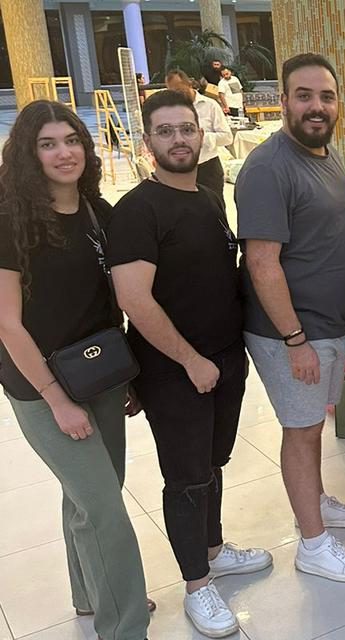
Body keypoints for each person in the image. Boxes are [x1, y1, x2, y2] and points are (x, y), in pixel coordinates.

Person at [108, 90, 271, 638]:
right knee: (185, 479)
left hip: (224, 359)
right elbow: (134, 299)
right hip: (174, 370)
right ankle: (197, 585)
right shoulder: (138, 211)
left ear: (200, 135)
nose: (178, 139)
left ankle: (214, 550)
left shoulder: (205, 197)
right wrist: (190, 360)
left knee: (212, 463)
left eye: (186, 129)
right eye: (165, 131)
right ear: (147, 141)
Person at [0, 101, 151, 640]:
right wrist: (57, 400)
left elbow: (111, 301)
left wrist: (129, 375)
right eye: (47, 144)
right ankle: (125, 626)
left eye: (71, 140)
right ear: (28, 154)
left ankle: (90, 592)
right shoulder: (10, 221)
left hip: (100, 374)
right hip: (40, 386)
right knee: (105, 507)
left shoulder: (97, 213)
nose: (64, 153)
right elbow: (7, 324)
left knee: (89, 494)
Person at [236, 54, 345, 583]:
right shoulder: (268, 168)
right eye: (304, 96)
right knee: (301, 430)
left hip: (327, 324)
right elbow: (261, 262)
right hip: (291, 331)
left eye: (326, 96)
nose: (316, 107)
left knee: (313, 424)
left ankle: (314, 502)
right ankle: (313, 545)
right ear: (283, 102)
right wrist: (294, 339)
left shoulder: (325, 153)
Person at [164, 69, 232, 200]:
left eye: (179, 90)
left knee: (213, 208)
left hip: (208, 168)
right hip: (181, 170)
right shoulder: (170, 110)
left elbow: (227, 137)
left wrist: (202, 137)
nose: (177, 96)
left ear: (189, 84)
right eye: (172, 92)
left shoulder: (210, 105)